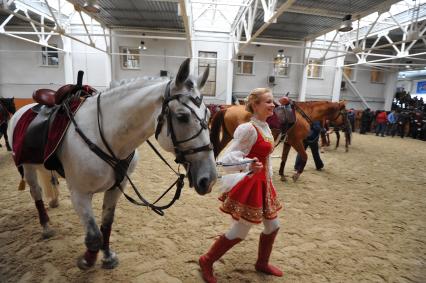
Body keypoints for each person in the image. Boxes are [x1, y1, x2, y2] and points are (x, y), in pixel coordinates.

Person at [199, 88, 283, 283]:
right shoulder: (248, 129)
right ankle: (207, 260)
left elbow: (265, 155)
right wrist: (248, 164)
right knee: (241, 231)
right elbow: (227, 159)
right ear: (255, 105)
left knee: (273, 226)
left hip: (264, 183)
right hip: (252, 183)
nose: (273, 105)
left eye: (273, 101)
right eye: (268, 102)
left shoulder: (265, 127)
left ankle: (262, 263)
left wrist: (267, 176)